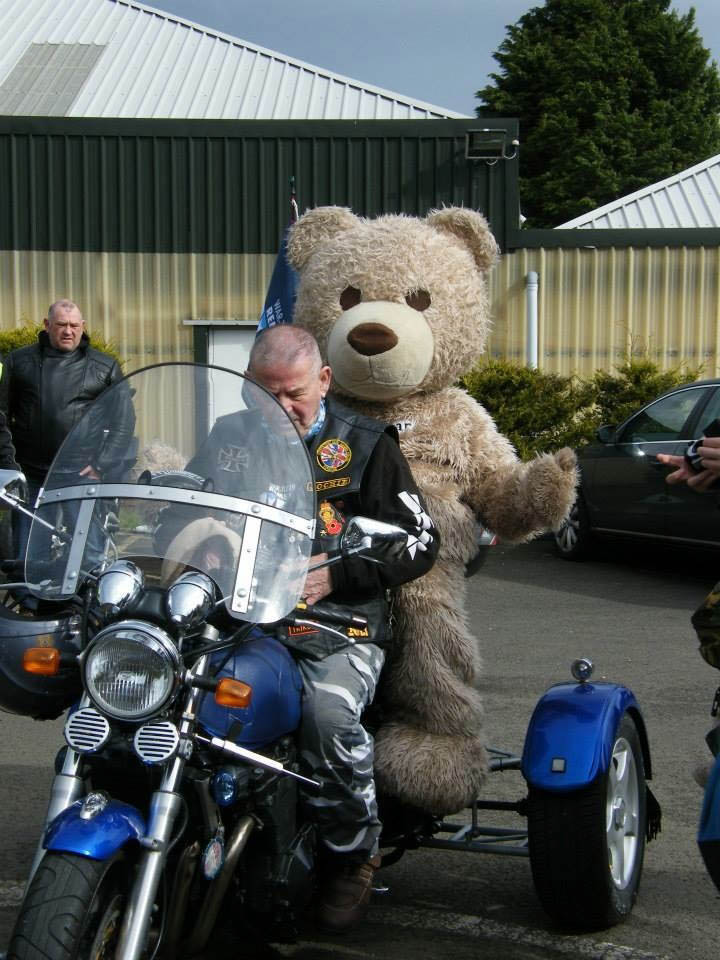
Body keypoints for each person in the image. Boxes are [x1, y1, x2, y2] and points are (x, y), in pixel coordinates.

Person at [178, 325, 439, 932]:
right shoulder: (229, 436)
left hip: (336, 622)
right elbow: (189, 501)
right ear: (248, 386)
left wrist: (340, 570)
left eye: (294, 393)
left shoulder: (368, 443)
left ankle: (353, 852)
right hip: (239, 615)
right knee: (162, 689)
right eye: (267, 394)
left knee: (326, 714)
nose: (282, 409)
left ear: (323, 381)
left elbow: (422, 541)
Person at [0, 300, 134, 567]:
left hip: (80, 476)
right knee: (28, 554)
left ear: (83, 328)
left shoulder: (104, 366)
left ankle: (87, 604)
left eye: (74, 325)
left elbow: (124, 421)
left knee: (90, 552)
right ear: (47, 325)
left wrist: (102, 463)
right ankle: (30, 604)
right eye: (61, 325)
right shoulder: (19, 362)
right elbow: (1, 414)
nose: (68, 331)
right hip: (31, 475)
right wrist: (8, 465)